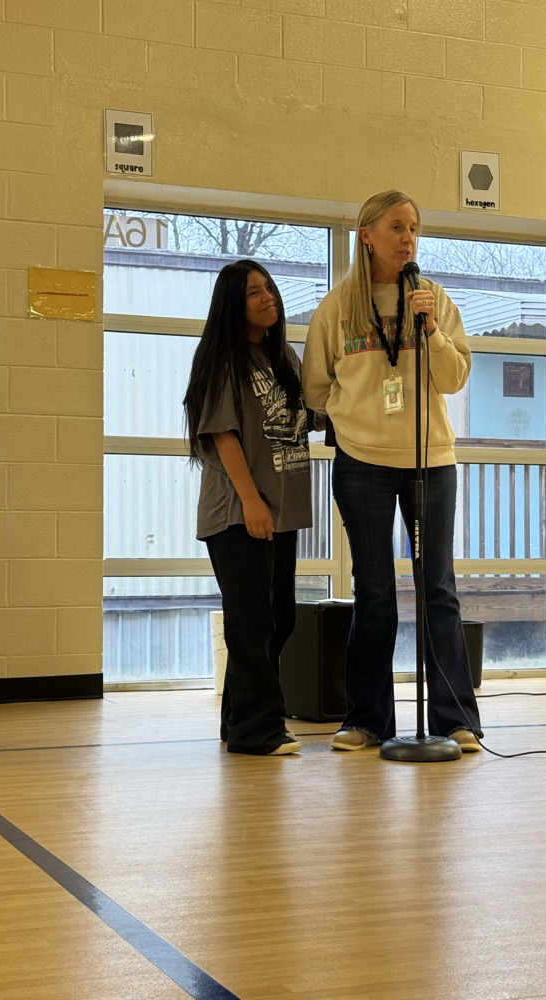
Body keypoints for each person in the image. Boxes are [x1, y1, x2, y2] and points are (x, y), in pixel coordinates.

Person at [302, 190, 483, 753]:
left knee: (438, 590)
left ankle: (455, 719)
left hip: (431, 461)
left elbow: (454, 378)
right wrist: (358, 416)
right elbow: (315, 388)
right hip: (362, 465)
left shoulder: (434, 299)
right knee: (374, 591)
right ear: (367, 235)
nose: (408, 238)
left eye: (414, 229)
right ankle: (366, 720)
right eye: (397, 227)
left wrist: (430, 329)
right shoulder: (337, 307)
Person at [183, 260, 312, 756]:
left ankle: (237, 721)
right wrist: (251, 500)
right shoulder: (223, 359)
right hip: (238, 512)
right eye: (253, 293)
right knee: (251, 620)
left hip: (280, 510)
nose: (267, 298)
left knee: (279, 618)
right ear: (232, 306)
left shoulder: (283, 357)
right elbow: (222, 434)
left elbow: (306, 417)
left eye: (268, 288)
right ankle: (258, 728)